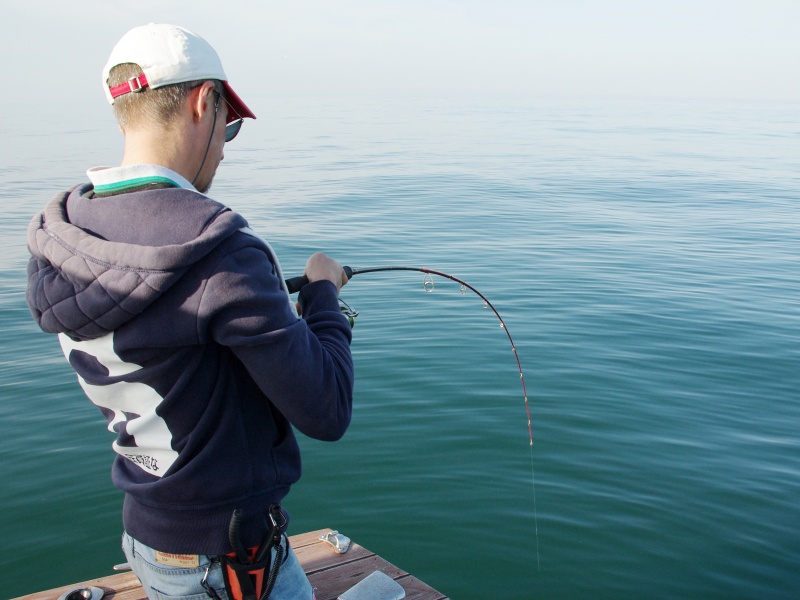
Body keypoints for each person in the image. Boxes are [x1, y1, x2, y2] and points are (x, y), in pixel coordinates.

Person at [26, 23, 354, 599]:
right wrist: (322, 293)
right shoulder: (219, 249)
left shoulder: (62, 234)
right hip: (228, 564)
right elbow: (327, 409)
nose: (224, 147)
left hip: (150, 538)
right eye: (228, 126)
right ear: (205, 102)